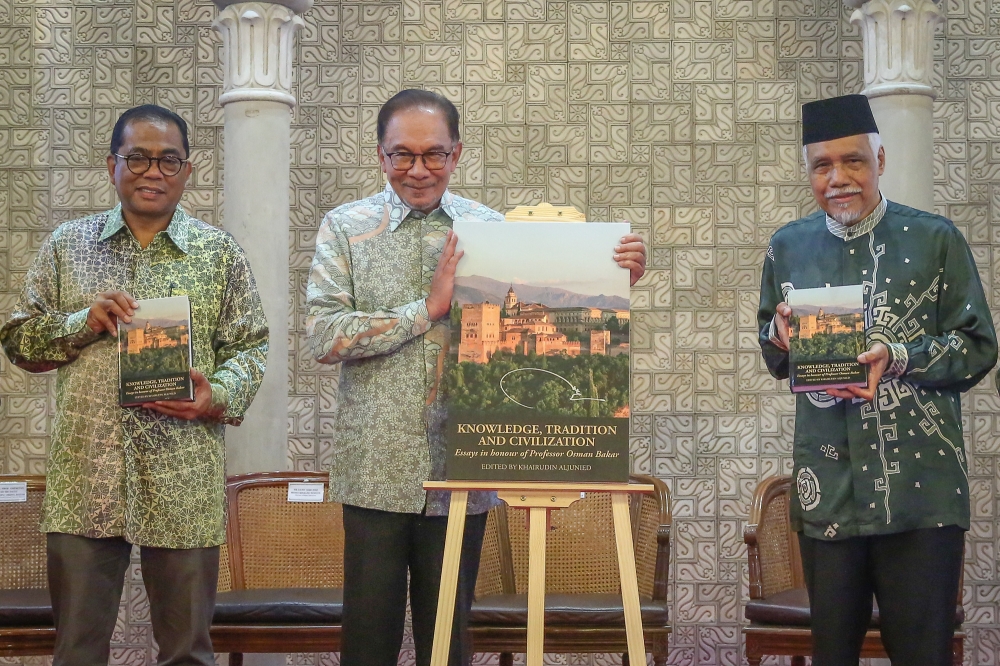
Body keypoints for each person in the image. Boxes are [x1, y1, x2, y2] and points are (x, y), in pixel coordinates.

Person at [306, 88, 646, 666]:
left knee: (449, 642)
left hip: (465, 465)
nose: (418, 170)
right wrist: (427, 309)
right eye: (402, 155)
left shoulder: (489, 229)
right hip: (373, 469)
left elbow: (540, 314)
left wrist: (611, 281)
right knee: (368, 642)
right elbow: (323, 335)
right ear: (380, 155)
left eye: (434, 154)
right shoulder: (346, 227)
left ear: (457, 153)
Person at [0, 104, 269, 666]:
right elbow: (19, 342)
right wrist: (82, 322)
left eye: (168, 160)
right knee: (76, 651)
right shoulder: (66, 245)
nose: (153, 171)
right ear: (112, 165)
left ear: (187, 170)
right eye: (138, 157)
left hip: (184, 476)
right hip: (86, 479)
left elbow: (251, 346)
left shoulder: (219, 254)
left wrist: (215, 395)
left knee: (189, 654)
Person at [757, 94, 997, 666]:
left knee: (921, 653)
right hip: (830, 484)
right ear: (809, 171)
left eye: (854, 161)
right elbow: (774, 349)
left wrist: (901, 355)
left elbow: (978, 345)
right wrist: (779, 336)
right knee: (832, 652)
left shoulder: (935, 239)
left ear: (880, 161)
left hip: (921, 488)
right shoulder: (787, 247)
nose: (838, 179)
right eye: (822, 166)